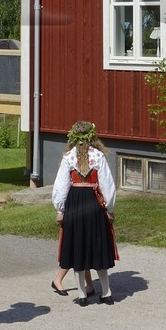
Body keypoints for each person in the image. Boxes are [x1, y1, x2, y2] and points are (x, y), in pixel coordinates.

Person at [52, 121, 117, 306]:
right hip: (94, 204)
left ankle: (82, 295)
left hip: (74, 204)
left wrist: (60, 209)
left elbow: (61, 187)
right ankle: (106, 293)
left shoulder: (68, 157)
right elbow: (107, 184)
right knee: (98, 246)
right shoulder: (98, 156)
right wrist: (109, 208)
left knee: (78, 247)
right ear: (92, 136)